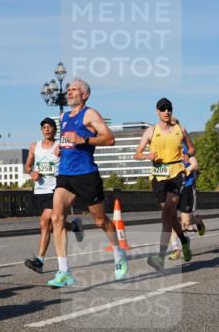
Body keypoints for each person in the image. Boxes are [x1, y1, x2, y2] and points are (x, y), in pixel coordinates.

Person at [46, 79, 128, 287]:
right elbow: (68, 140)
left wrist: (84, 140)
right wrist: (59, 147)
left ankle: (119, 254)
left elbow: (109, 139)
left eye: (74, 89)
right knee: (56, 217)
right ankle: (64, 272)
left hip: (86, 175)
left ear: (85, 95)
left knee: (100, 220)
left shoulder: (90, 114)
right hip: (65, 174)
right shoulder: (64, 116)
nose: (69, 92)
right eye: (69, 89)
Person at [134, 98, 194, 271]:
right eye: (163, 109)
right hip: (158, 177)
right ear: (157, 112)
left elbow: (192, 149)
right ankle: (184, 240)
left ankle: (160, 257)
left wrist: (187, 155)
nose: (166, 112)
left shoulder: (180, 130)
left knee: (167, 213)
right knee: (170, 216)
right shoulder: (150, 131)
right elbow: (137, 154)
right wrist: (147, 156)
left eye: (169, 109)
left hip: (176, 174)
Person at [23, 117, 82, 273]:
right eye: (44, 127)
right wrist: (31, 172)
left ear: (55, 130)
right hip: (40, 190)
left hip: (56, 189)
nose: (47, 129)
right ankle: (75, 226)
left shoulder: (60, 145)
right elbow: (27, 166)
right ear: (41, 130)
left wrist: (64, 152)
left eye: (50, 127)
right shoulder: (34, 146)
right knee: (52, 225)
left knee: (44, 221)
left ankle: (40, 260)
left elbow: (74, 159)